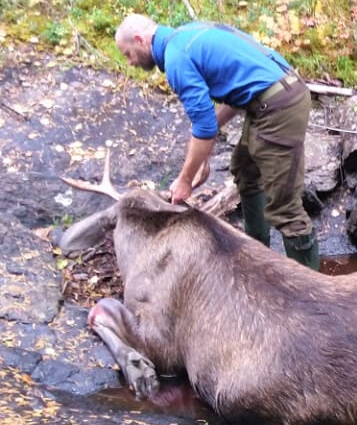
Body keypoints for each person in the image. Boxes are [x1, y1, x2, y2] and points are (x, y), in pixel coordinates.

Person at [114, 13, 319, 270]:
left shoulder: (177, 58)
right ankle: (256, 260)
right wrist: (204, 152)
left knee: (285, 208)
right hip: (270, 100)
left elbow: (203, 126)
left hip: (278, 107)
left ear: (139, 40)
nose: (130, 62)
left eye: (127, 54)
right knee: (245, 169)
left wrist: (185, 181)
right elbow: (232, 97)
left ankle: (312, 291)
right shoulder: (189, 33)